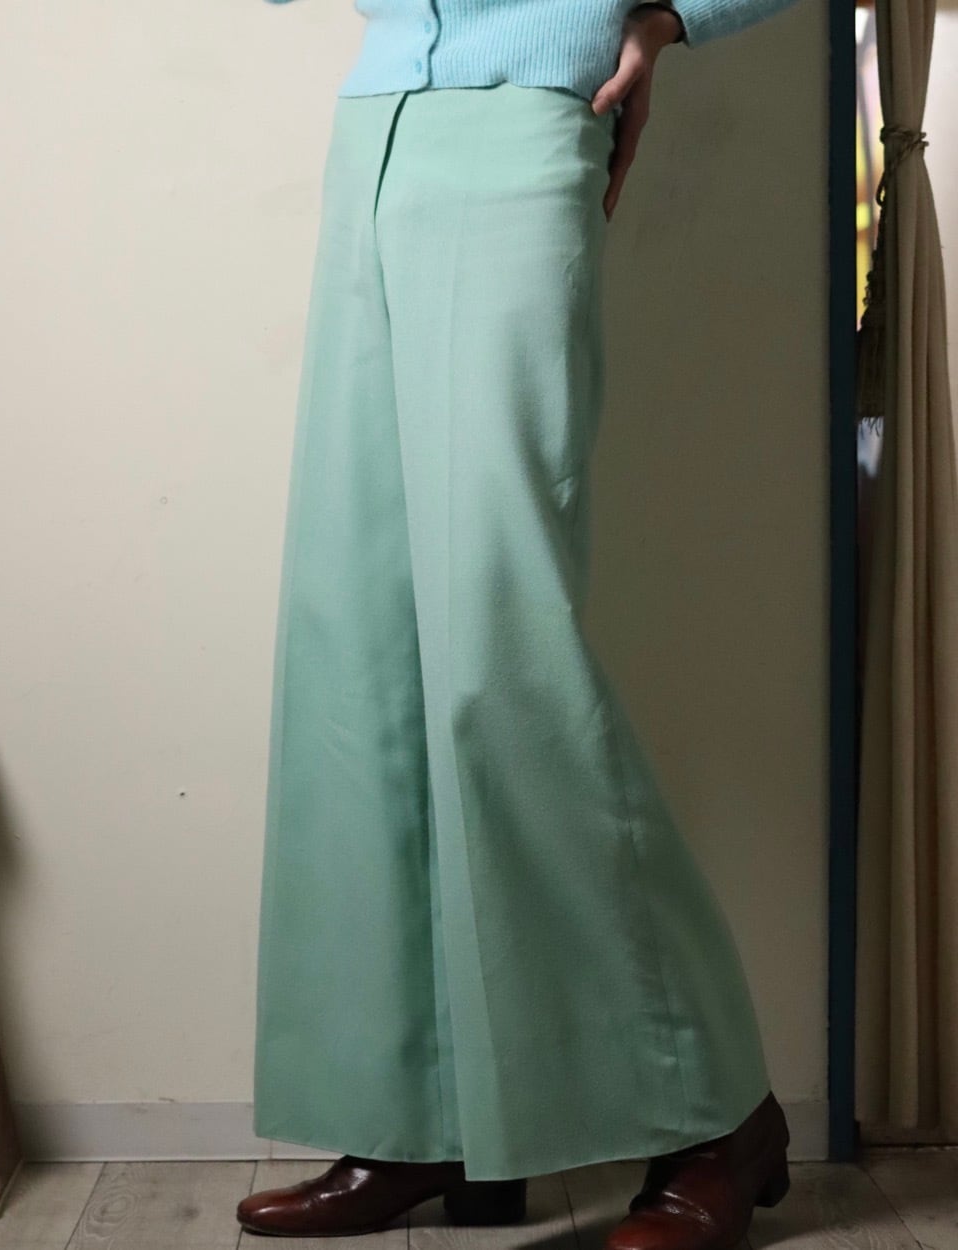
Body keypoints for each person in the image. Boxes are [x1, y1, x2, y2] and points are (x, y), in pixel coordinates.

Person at [238, 0, 804, 1244]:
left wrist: (671, 15)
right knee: (361, 644)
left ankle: (721, 1113)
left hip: (524, 119)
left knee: (499, 652)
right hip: (376, 124)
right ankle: (420, 1114)